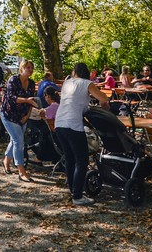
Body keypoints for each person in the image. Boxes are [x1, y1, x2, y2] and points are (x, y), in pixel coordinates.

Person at [55, 62, 109, 206]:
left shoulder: (67, 83)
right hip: (73, 124)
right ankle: (77, 195)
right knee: (82, 160)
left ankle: (73, 190)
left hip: (59, 123)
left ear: (75, 72)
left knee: (70, 159)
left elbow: (72, 101)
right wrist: (105, 104)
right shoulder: (87, 83)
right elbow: (103, 98)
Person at [0, 60, 37, 182]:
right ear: (21, 68)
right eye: (28, 67)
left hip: (22, 116)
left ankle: (6, 161)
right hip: (8, 115)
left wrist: (27, 116)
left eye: (32, 68)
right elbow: (11, 98)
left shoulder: (31, 83)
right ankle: (21, 171)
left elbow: (32, 101)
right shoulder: (13, 80)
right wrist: (27, 100)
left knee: (15, 140)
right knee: (19, 141)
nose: (30, 70)